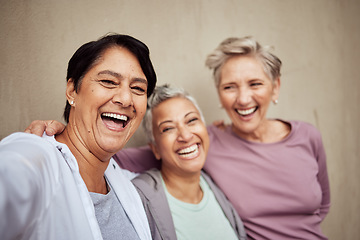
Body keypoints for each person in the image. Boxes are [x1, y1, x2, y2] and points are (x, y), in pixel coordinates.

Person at [25, 36, 330, 240]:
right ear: (219, 95)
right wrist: (60, 134)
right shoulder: (208, 140)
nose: (243, 98)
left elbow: (321, 207)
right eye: (229, 87)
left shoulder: (307, 136)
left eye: (255, 84)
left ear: (274, 88)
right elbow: (106, 148)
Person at [0, 33, 157, 240]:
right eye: (109, 81)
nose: (126, 99)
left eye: (138, 88)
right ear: (72, 91)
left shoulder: (124, 183)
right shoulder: (34, 159)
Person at [131, 84, 247, 240]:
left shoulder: (216, 185)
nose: (185, 136)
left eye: (191, 120)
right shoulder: (139, 198)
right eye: (168, 129)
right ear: (155, 149)